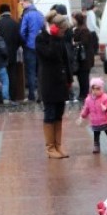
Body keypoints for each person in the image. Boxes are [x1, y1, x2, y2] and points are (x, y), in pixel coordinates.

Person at [35, 9, 73, 159]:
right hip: (48, 83)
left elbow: (66, 60)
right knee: (50, 114)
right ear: (55, 27)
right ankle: (50, 148)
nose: (65, 33)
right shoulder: (41, 39)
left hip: (61, 81)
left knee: (59, 114)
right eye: (63, 30)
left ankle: (58, 145)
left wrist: (69, 79)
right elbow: (51, 55)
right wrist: (53, 38)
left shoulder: (60, 39)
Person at [78, 77, 107, 154]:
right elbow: (86, 109)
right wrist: (82, 116)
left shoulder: (105, 97)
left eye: (98, 89)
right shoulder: (88, 99)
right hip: (95, 122)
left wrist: (106, 107)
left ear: (102, 89)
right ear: (91, 89)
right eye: (93, 89)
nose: (95, 91)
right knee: (96, 135)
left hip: (105, 120)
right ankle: (96, 146)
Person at [19, 0, 44, 102]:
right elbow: (44, 30)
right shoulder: (40, 14)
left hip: (30, 46)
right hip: (41, 47)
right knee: (40, 71)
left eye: (22, 3)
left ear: (27, 2)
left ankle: (31, 96)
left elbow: (22, 32)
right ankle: (41, 95)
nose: (21, 5)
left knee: (30, 71)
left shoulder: (27, 15)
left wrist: (26, 41)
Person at [0, 3, 21, 101]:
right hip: (13, 52)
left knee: (2, 75)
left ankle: (4, 97)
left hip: (1, 54)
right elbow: (19, 39)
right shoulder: (15, 23)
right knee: (12, 74)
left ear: (0, 12)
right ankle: (13, 96)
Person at [71, 12, 94, 102]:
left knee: (83, 77)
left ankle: (84, 94)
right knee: (81, 77)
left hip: (84, 58)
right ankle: (82, 94)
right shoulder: (78, 29)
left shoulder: (84, 30)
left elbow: (84, 42)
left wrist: (74, 43)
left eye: (73, 19)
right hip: (82, 58)